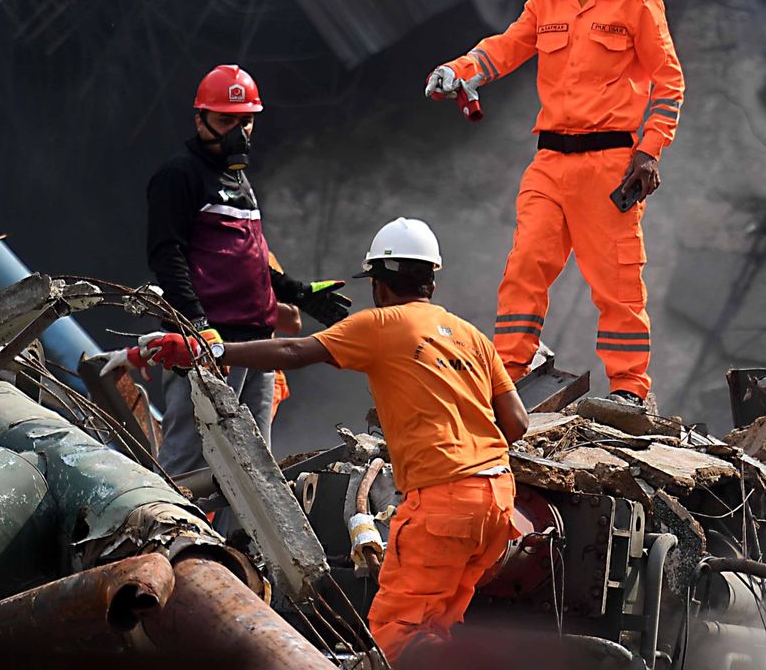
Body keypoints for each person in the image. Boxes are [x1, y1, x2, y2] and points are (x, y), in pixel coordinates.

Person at [203, 217, 530, 662]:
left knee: (395, 631)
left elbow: (293, 350)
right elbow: (517, 423)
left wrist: (214, 350)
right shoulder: (471, 336)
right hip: (497, 500)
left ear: (379, 283)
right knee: (435, 627)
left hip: (443, 501)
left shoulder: (381, 324)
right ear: (431, 278)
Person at [424, 0, 684, 405]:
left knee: (617, 285)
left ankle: (629, 392)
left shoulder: (637, 6)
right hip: (548, 162)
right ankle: (509, 380)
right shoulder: (545, 4)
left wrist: (649, 150)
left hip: (610, 164)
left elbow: (669, 81)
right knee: (524, 270)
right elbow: (504, 48)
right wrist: (459, 70)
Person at [134, 64, 351, 480]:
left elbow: (250, 258)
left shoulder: (236, 179)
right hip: (209, 341)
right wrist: (197, 325)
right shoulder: (179, 175)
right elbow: (167, 255)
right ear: (200, 120)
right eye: (225, 120)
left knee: (255, 465)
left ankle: (239, 544)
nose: (238, 131)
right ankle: (170, 539)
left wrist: (299, 292)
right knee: (192, 458)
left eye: (245, 121)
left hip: (256, 342)